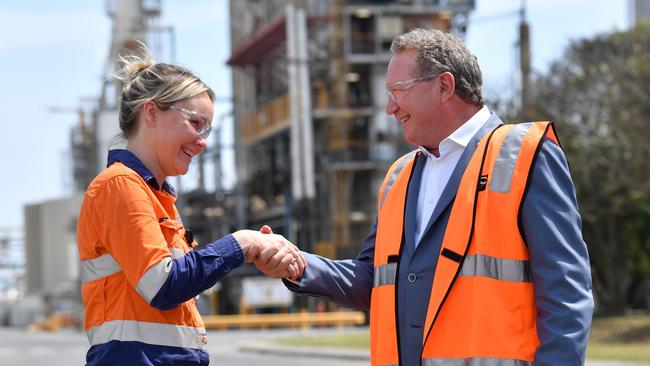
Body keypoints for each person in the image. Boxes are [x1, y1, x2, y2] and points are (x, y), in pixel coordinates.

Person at [277, 28, 594, 365]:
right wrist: (298, 264)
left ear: (445, 86)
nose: (389, 108)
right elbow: (374, 279)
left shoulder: (526, 155)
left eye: (398, 91)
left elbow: (566, 294)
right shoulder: (399, 177)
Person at [76, 49, 306, 366]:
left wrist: (252, 251)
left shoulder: (158, 197)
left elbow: (181, 281)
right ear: (152, 113)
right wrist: (241, 242)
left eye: (207, 128)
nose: (202, 141)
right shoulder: (119, 186)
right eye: (195, 123)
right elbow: (163, 284)